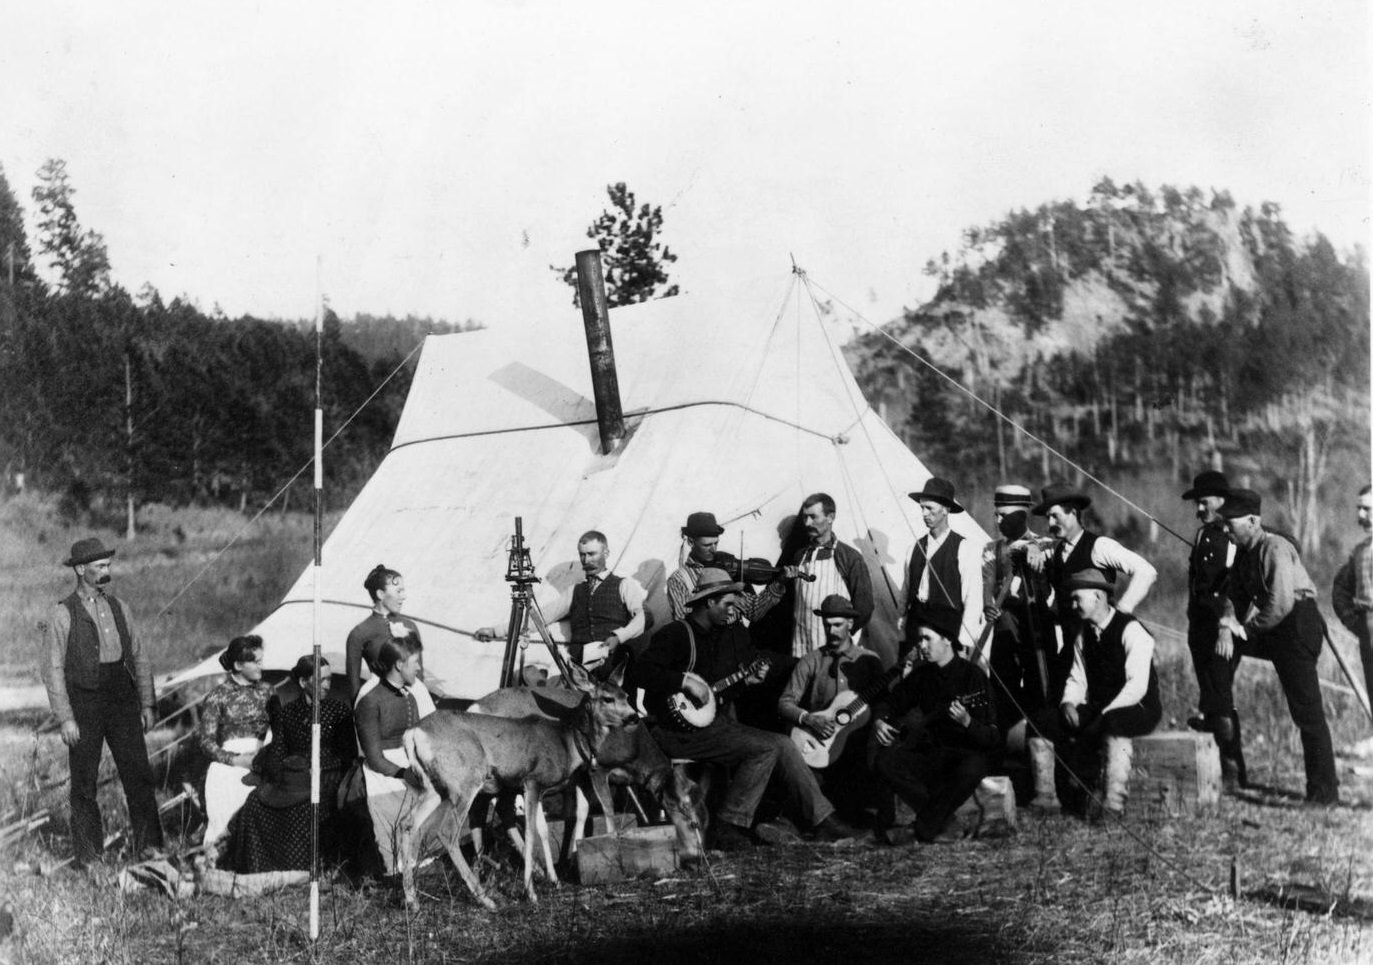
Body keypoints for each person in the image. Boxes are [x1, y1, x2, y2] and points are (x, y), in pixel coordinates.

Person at [633, 569, 861, 849]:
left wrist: (747, 681)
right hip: (675, 731)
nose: (733, 610)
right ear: (709, 603)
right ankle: (729, 825)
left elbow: (720, 690)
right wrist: (683, 680)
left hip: (715, 725)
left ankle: (822, 820)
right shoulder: (677, 634)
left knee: (784, 744)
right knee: (766, 747)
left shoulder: (727, 635)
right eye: (728, 604)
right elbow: (638, 673)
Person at [41, 537, 163, 866]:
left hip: (122, 698)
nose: (107, 571)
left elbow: (139, 656)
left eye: (108, 565)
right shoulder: (62, 614)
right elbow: (52, 669)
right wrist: (66, 718)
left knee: (138, 774)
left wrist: (147, 703)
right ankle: (90, 856)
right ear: (81, 570)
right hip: (84, 703)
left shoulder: (120, 608)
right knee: (84, 783)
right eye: (100, 567)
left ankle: (150, 847)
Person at [1219, 489, 1338, 806]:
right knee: (1226, 648)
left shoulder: (1274, 547)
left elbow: (1280, 604)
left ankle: (1324, 795)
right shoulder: (1244, 554)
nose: (1227, 532)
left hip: (1298, 624)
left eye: (1231, 525)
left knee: (1307, 713)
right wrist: (1227, 626)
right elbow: (1235, 597)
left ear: (1253, 521)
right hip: (1277, 627)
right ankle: (1217, 713)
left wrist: (1243, 630)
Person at [1025, 570, 1162, 818]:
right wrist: (1069, 703)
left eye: (1078, 599)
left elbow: (1136, 687)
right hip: (1102, 707)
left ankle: (1112, 804)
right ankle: (1046, 799)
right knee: (1041, 721)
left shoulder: (1132, 630)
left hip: (1139, 707)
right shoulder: (1083, 633)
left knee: (1112, 723)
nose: (1073, 605)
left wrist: (1102, 715)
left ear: (1099, 596)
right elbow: (1078, 678)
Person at [870, 610, 998, 844]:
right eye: (919, 639)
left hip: (961, 760)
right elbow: (890, 702)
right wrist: (880, 719)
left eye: (927, 638)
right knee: (885, 761)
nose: (921, 645)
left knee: (974, 766)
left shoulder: (973, 677)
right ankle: (944, 820)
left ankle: (921, 829)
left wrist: (967, 722)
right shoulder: (922, 676)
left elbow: (991, 737)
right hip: (931, 757)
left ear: (947, 639)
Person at [220, 655, 356, 874]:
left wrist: (318, 765)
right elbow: (278, 749)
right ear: (303, 682)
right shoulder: (288, 713)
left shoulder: (339, 711)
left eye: (329, 679)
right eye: (321, 679)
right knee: (256, 801)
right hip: (293, 773)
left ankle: (306, 867)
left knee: (308, 807)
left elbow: (347, 754)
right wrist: (278, 772)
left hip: (329, 773)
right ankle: (261, 865)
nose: (328, 685)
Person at [1029, 482, 1157, 697]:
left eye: (1055, 516)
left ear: (1073, 513)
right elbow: (1029, 548)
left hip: (1102, 647)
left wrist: (1122, 612)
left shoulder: (1100, 546)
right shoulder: (1056, 551)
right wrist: (1032, 548)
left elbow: (1146, 571)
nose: (1050, 524)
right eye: (1048, 518)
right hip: (1072, 649)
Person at [777, 594, 886, 824]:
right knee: (803, 787)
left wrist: (878, 723)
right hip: (819, 745)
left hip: (855, 749)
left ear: (850, 625)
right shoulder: (811, 660)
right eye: (827, 625)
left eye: (837, 625)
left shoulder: (868, 661)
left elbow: (883, 703)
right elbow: (785, 703)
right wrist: (809, 719)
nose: (832, 631)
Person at [1180, 470, 1246, 791]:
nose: (1199, 509)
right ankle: (1221, 768)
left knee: (1219, 697)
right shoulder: (1202, 534)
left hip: (1222, 630)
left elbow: (1234, 589)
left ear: (1221, 501)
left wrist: (1225, 629)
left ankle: (1232, 772)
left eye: (1203, 503)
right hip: (1199, 628)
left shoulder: (1233, 536)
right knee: (1211, 695)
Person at [355, 634, 434, 874]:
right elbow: (374, 758)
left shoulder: (409, 696)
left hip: (412, 762)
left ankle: (425, 861)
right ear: (399, 665)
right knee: (398, 818)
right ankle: (400, 868)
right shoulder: (370, 701)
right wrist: (404, 773)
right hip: (385, 772)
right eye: (415, 663)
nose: (419, 668)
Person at [981, 484, 1055, 736]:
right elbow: (988, 581)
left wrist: (1032, 548)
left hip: (1037, 624)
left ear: (1021, 515)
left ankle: (1039, 738)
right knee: (1003, 682)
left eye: (1003, 514)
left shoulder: (1046, 545)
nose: (997, 520)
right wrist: (987, 605)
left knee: (1041, 682)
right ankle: (1003, 739)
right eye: (996, 514)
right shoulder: (992, 549)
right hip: (1006, 622)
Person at [198, 635, 273, 852]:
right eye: (256, 662)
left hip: (263, 757)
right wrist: (237, 760)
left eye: (261, 660)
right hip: (229, 764)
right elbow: (206, 742)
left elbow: (278, 729)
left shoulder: (268, 691)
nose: (262, 666)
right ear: (239, 665)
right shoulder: (217, 696)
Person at [901, 477, 984, 659]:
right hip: (916, 634)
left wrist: (964, 641)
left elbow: (973, 599)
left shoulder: (964, 548)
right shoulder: (913, 549)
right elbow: (905, 594)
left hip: (947, 636)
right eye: (922, 508)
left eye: (929, 508)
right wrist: (903, 629)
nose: (924, 513)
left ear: (946, 510)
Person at [783, 493, 874, 657]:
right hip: (801, 647)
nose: (807, 523)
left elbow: (865, 607)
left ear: (830, 517)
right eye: (804, 518)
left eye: (813, 517)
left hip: (834, 651)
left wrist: (841, 636)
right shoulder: (799, 556)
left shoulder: (849, 557)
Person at [346, 564, 436, 715]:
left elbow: (418, 672)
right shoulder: (359, 633)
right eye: (398, 591)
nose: (404, 596)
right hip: (380, 702)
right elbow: (353, 684)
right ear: (381, 594)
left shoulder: (410, 626)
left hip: (414, 696)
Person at [666, 511, 786, 623]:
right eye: (707, 545)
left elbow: (753, 611)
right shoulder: (679, 579)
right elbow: (684, 619)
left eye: (716, 543)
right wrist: (733, 611)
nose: (714, 550)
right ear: (691, 542)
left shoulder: (725, 568)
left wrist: (778, 584)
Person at [1332, 483, 1373, 713]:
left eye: (1367, 509)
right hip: (1368, 628)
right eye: (1359, 509)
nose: (1360, 515)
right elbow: (1339, 589)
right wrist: (1353, 621)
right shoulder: (1360, 551)